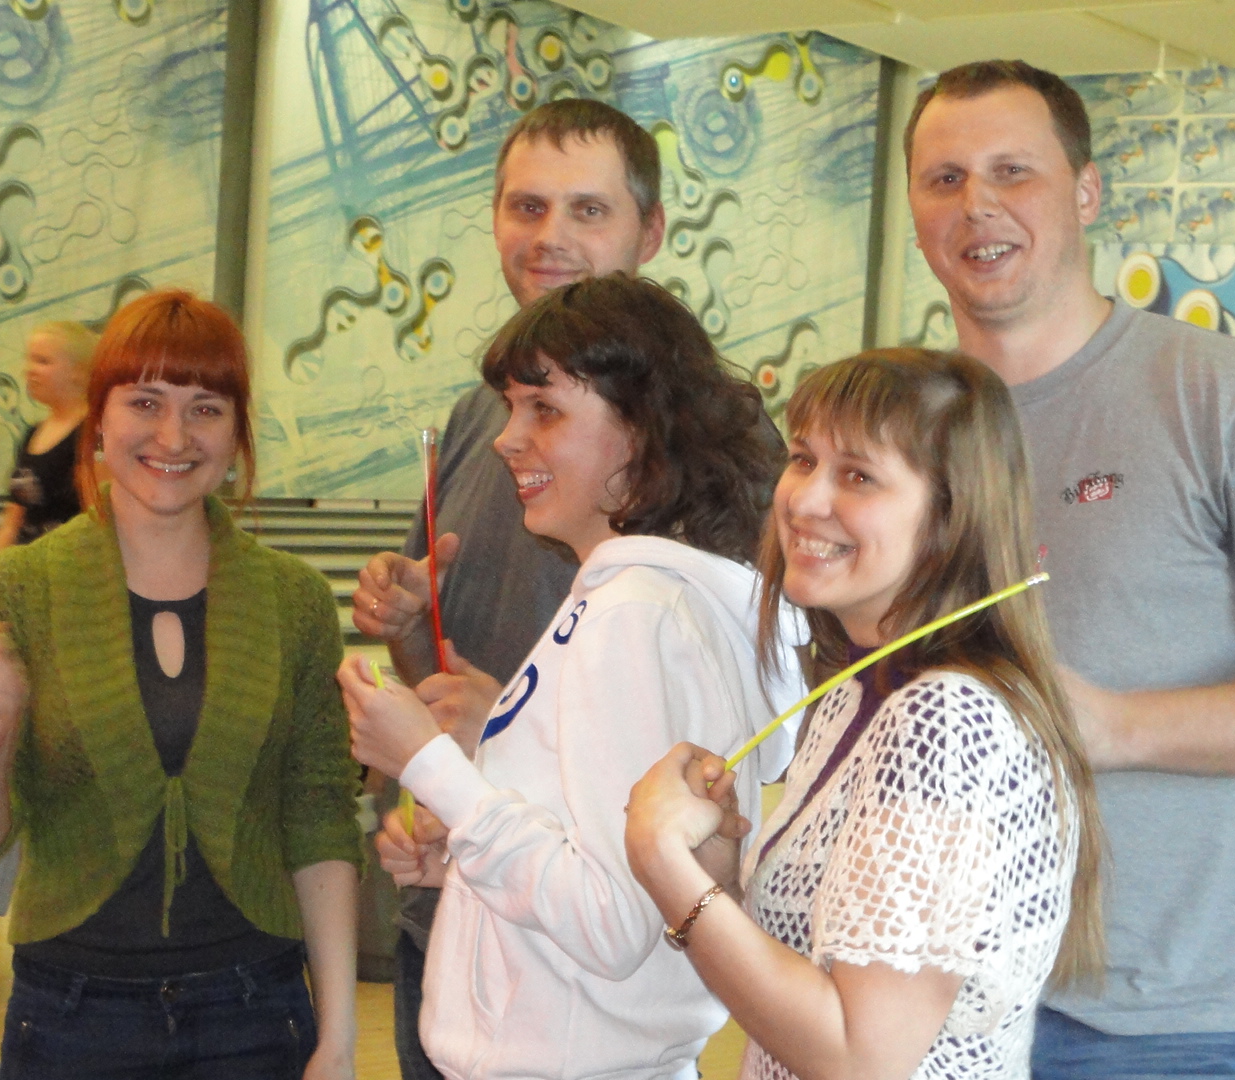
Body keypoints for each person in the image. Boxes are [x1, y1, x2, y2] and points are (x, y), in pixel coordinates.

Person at [904, 60, 1235, 1078]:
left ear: (1087, 191)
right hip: (921, 998)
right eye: (944, 178)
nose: (978, 204)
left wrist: (1117, 727)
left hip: (1162, 1027)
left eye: (1013, 171)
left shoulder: (1226, 395)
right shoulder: (899, 424)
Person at [341, 273, 806, 1080]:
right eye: (511, 407)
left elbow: (613, 921)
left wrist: (431, 767)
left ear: (640, 431)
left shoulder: (634, 615)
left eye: (545, 410)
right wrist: (469, 867)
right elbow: (614, 880)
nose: (506, 438)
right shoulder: (646, 601)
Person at [625, 348, 1103, 1080]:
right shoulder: (860, 690)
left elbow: (859, 1057)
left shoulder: (946, 723)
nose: (805, 501)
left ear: (950, 515)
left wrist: (661, 862)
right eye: (802, 459)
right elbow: (809, 977)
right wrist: (713, 870)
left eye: (857, 476)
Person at [0, 290, 362, 1080]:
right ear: (98, 420)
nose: (173, 435)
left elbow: (320, 821)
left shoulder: (293, 601)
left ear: (236, 433)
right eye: (145, 402)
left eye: (206, 409)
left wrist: (338, 1037)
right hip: (70, 1016)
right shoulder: (19, 592)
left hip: (256, 1011)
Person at [348, 99, 678, 1080]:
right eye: (527, 207)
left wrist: (510, 722)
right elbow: (442, 683)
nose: (551, 238)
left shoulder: (702, 446)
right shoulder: (474, 419)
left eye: (588, 210)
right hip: (447, 904)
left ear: (650, 232)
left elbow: (712, 725)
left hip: (584, 961)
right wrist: (411, 623)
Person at [0, 320, 98, 562]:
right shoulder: (33, 433)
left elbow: (99, 520)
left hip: (69, 569)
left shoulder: (93, 435)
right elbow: (12, 522)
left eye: (43, 361)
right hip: (28, 569)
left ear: (78, 371)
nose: (29, 370)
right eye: (29, 360)